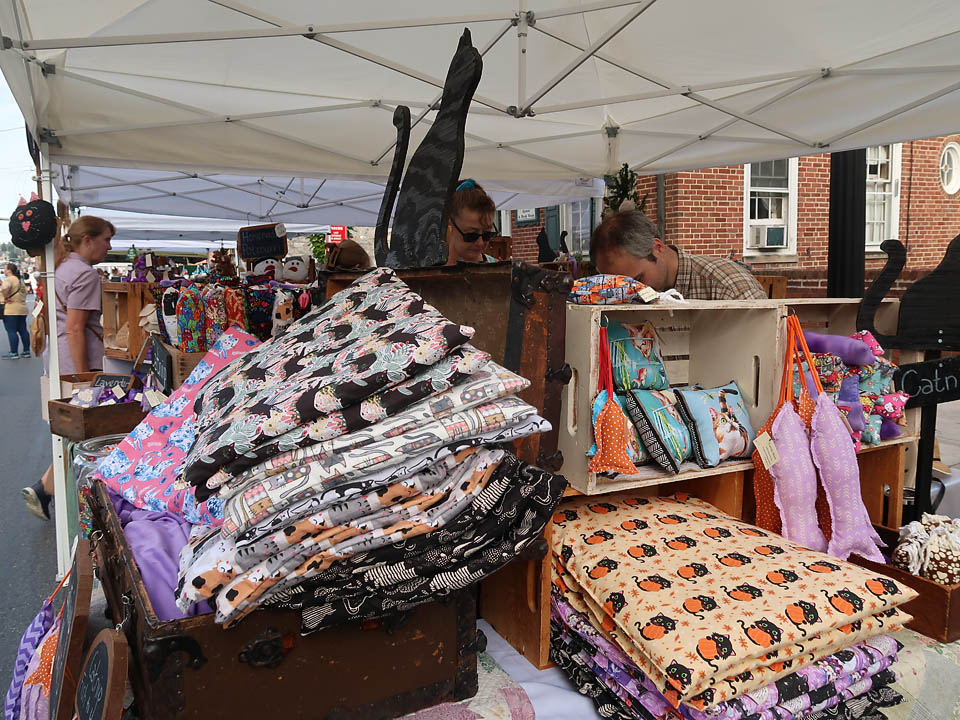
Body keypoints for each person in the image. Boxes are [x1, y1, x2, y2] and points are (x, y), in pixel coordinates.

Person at [22, 215, 115, 521]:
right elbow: (75, 329)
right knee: (82, 433)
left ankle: (45, 488)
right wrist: (85, 378)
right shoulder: (84, 274)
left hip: (56, 358)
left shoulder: (61, 267)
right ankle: (59, 496)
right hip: (74, 363)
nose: (109, 246)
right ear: (88, 240)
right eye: (106, 239)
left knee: (70, 433)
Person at [590, 210, 767, 300]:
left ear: (657, 248)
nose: (631, 292)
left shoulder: (729, 286)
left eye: (638, 279)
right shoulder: (624, 296)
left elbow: (767, 352)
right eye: (619, 286)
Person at [445, 179, 497, 265]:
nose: (480, 243)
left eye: (487, 235)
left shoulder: (498, 269)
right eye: (471, 236)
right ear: (450, 225)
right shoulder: (428, 269)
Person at [1, 263, 30, 359]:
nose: (4, 270)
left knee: (11, 331)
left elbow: (5, 288)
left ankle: (14, 352)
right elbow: (25, 292)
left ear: (9, 270)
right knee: (23, 330)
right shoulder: (20, 281)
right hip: (22, 308)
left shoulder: (9, 279)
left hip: (11, 309)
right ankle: (26, 351)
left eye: (5, 269)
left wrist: (6, 297)